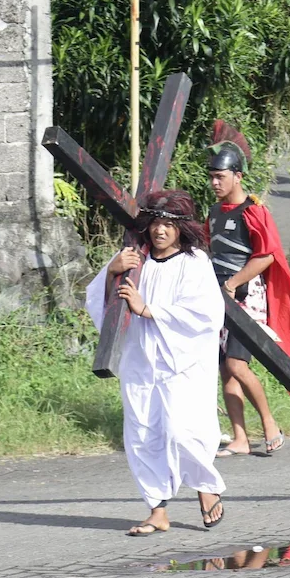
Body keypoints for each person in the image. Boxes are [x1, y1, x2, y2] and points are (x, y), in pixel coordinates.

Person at [84, 190, 228, 535]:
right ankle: (156, 511)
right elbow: (98, 302)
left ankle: (206, 488)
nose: (160, 231)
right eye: (155, 224)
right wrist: (111, 273)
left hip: (183, 363)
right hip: (139, 360)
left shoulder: (195, 264)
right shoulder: (134, 260)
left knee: (183, 431)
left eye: (168, 225)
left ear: (182, 229)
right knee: (142, 433)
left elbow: (206, 315)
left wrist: (148, 309)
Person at [205, 122, 290, 457]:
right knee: (225, 368)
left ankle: (269, 424)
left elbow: (266, 256)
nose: (214, 183)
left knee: (237, 365)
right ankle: (239, 437)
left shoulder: (254, 210)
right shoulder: (213, 212)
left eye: (220, 176)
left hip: (245, 297)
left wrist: (234, 283)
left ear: (237, 175)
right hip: (218, 295)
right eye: (211, 176)